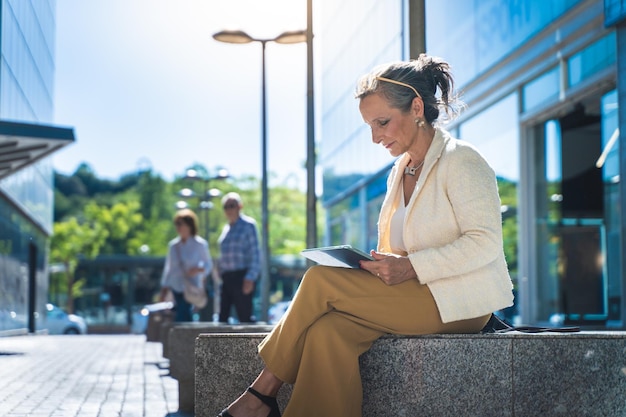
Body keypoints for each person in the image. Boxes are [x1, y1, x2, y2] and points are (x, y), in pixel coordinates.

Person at [216, 54, 514, 417]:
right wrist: (380, 266)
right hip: (413, 295)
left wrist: (411, 268)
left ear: (417, 107)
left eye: (382, 122)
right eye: (370, 126)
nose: (375, 137)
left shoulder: (462, 159)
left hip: (457, 303)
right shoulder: (399, 171)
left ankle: (261, 394)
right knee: (328, 334)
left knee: (320, 280)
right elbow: (400, 249)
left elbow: (484, 242)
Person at [160, 209, 212, 322]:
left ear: (189, 225)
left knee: (184, 312)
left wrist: (197, 270)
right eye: (176, 224)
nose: (178, 227)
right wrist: (164, 287)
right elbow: (168, 268)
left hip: (190, 286)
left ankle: (185, 336)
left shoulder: (200, 245)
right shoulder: (173, 246)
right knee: (177, 312)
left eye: (181, 224)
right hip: (175, 285)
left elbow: (208, 265)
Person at [217, 192, 261, 323]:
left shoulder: (248, 225)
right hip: (226, 278)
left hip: (242, 277)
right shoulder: (226, 229)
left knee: (244, 316)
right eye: (226, 206)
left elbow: (255, 253)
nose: (229, 209)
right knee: (222, 318)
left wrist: (250, 278)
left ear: (239, 206)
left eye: (232, 205)